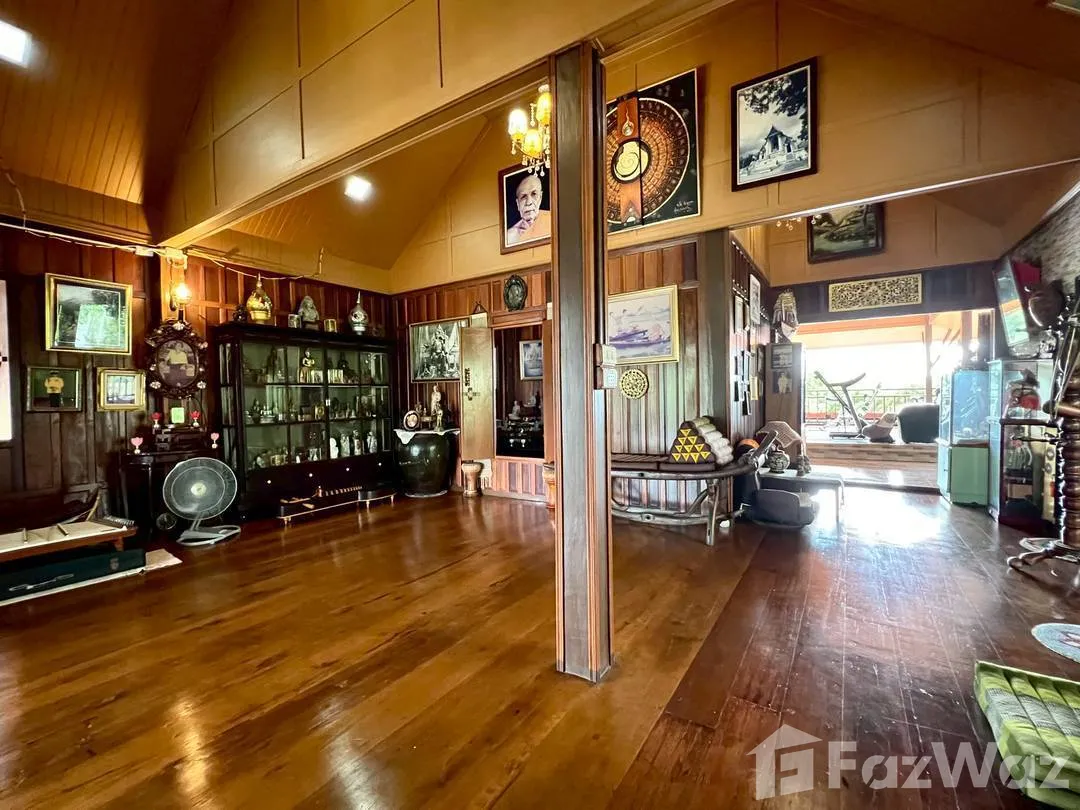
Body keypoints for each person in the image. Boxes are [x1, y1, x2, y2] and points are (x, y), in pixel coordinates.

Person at [505, 173, 551, 247]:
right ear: (518, 204)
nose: (529, 202)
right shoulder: (510, 236)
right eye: (523, 197)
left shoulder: (552, 221)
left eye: (534, 194)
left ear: (540, 197)